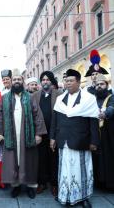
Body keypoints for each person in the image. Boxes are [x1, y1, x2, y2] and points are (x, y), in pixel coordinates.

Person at [50, 69, 99, 207]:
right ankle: (64, 196)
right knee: (65, 170)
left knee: (82, 171)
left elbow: (93, 121)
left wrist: (94, 141)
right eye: (66, 81)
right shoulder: (60, 99)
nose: (68, 83)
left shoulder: (89, 99)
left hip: (81, 141)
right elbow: (55, 120)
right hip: (63, 140)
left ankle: (83, 198)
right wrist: (52, 138)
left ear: (78, 82)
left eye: (71, 81)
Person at [0, 69, 47, 199]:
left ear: (22, 82)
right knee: (13, 161)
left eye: (19, 79)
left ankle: (30, 187)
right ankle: (16, 186)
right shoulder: (4, 98)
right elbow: (0, 116)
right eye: (15, 80)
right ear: (11, 82)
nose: (17, 82)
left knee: (29, 161)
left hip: (27, 136)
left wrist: (39, 134)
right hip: (10, 135)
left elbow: (38, 115)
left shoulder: (30, 97)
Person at [33, 71, 62, 197]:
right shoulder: (35, 95)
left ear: (51, 81)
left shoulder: (59, 95)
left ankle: (54, 184)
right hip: (40, 133)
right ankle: (42, 183)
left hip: (54, 132)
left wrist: (55, 135)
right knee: (41, 158)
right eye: (43, 80)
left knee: (54, 158)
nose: (45, 81)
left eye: (47, 79)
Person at [94, 74, 114, 190]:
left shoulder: (111, 97)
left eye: (102, 84)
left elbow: (112, 108)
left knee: (108, 158)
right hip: (96, 134)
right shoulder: (93, 98)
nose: (99, 86)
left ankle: (110, 184)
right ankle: (99, 183)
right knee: (98, 159)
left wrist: (105, 114)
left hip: (108, 134)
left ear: (106, 85)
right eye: (97, 85)